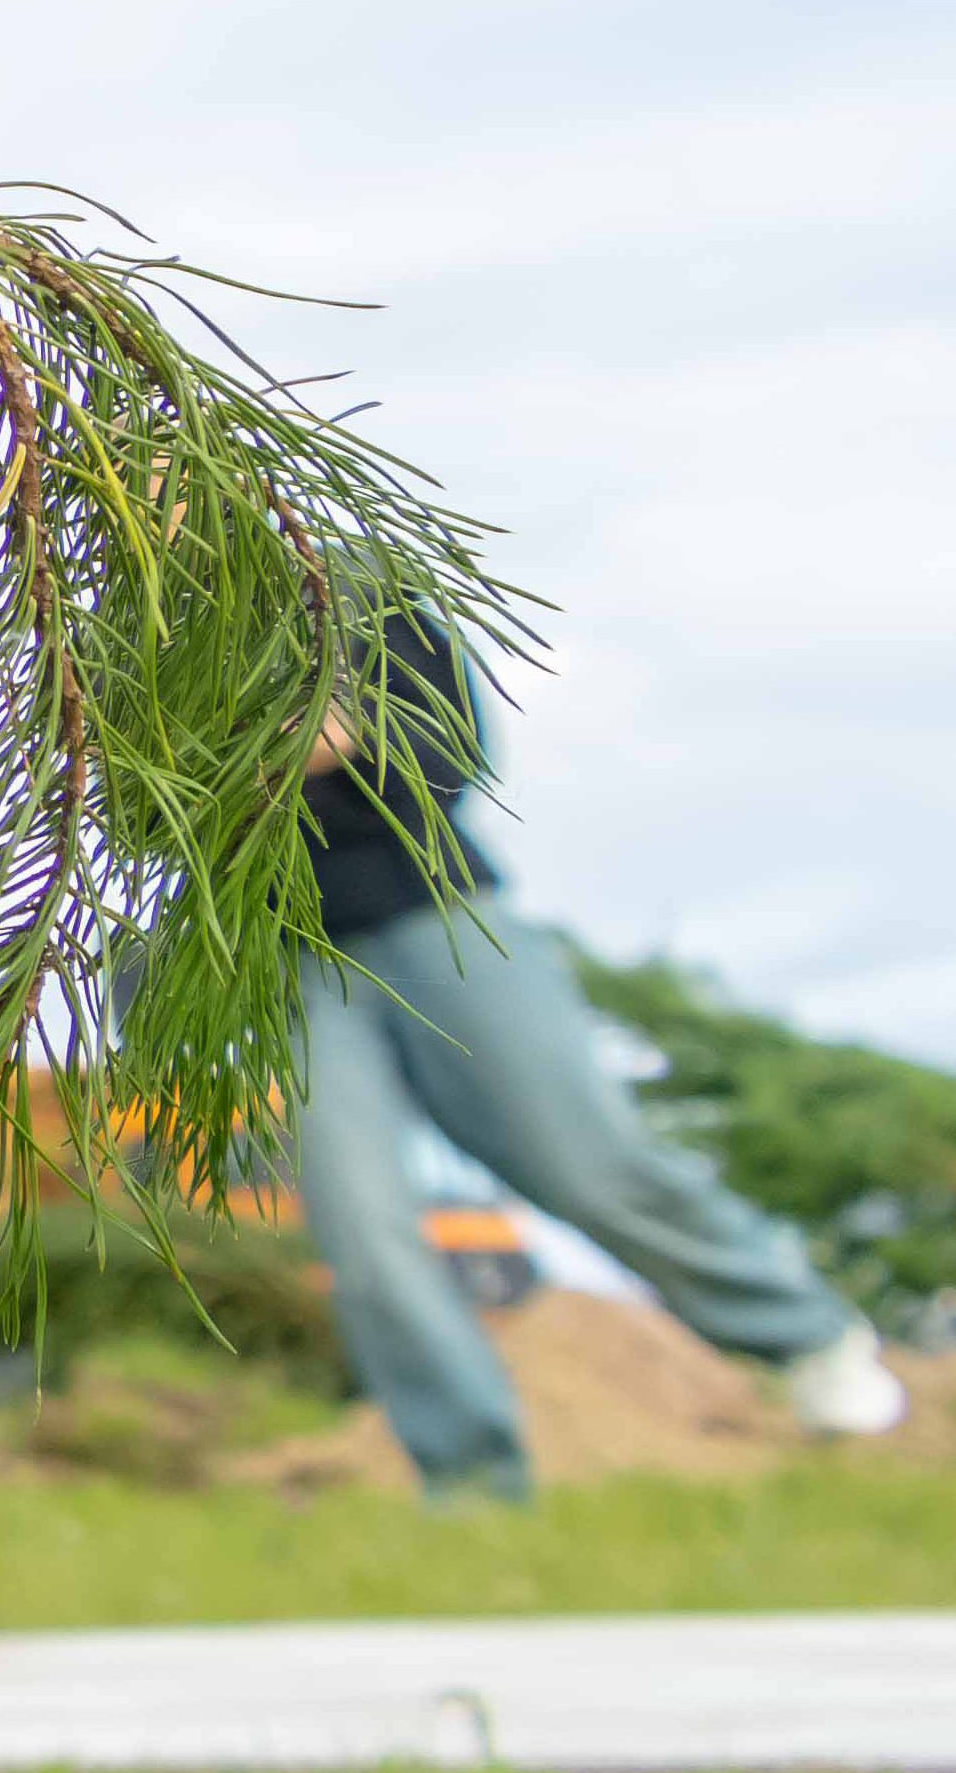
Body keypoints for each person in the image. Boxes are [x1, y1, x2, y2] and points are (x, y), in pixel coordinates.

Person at [284, 604, 905, 1498]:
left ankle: (805, 1331)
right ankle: (471, 1482)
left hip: (441, 918)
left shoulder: (357, 595)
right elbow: (149, 815)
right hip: (283, 956)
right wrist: (326, 746)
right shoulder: (131, 632)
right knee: (360, 1228)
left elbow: (448, 761)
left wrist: (299, 760)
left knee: (584, 1159)